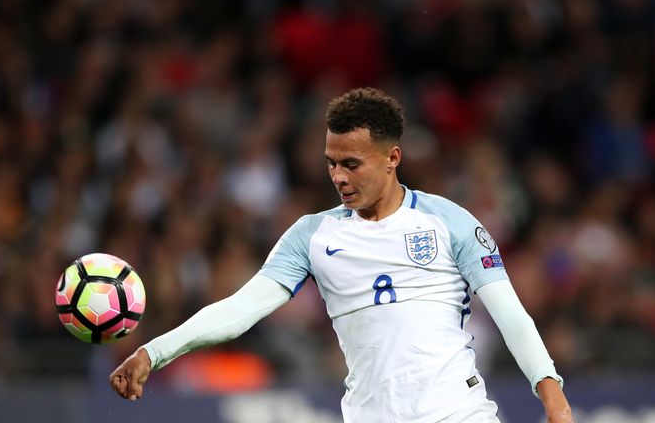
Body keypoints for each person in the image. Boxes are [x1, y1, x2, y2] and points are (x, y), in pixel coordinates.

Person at [109, 87, 573, 422]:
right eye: (331, 162)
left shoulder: (449, 221)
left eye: (352, 163)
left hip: (457, 412)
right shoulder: (311, 236)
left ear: (392, 158)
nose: (338, 176)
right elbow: (240, 309)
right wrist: (155, 351)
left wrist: (552, 395)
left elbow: (511, 314)